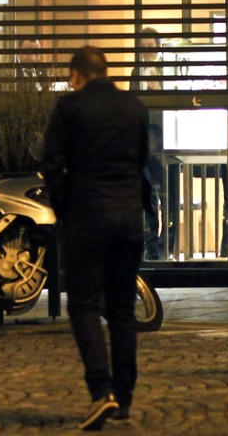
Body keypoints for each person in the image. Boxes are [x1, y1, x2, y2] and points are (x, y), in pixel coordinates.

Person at [42, 46, 148, 430]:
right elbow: (140, 161)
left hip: (87, 216)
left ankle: (100, 391)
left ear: (76, 75)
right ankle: (125, 397)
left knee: (84, 305)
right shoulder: (134, 107)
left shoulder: (70, 108)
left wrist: (64, 208)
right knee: (122, 308)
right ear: (106, 71)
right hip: (128, 217)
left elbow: (52, 163)